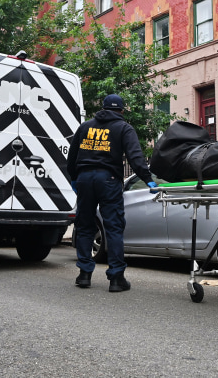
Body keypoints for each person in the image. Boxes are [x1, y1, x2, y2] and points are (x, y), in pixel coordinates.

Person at [66, 94, 158, 292]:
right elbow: (135, 156)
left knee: (84, 226)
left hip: (84, 178)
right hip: (108, 180)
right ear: (121, 111)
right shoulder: (124, 128)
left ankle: (84, 274)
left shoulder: (85, 127)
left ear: (103, 108)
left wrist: (74, 178)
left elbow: (71, 157)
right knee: (113, 227)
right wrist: (147, 178)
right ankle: (116, 278)